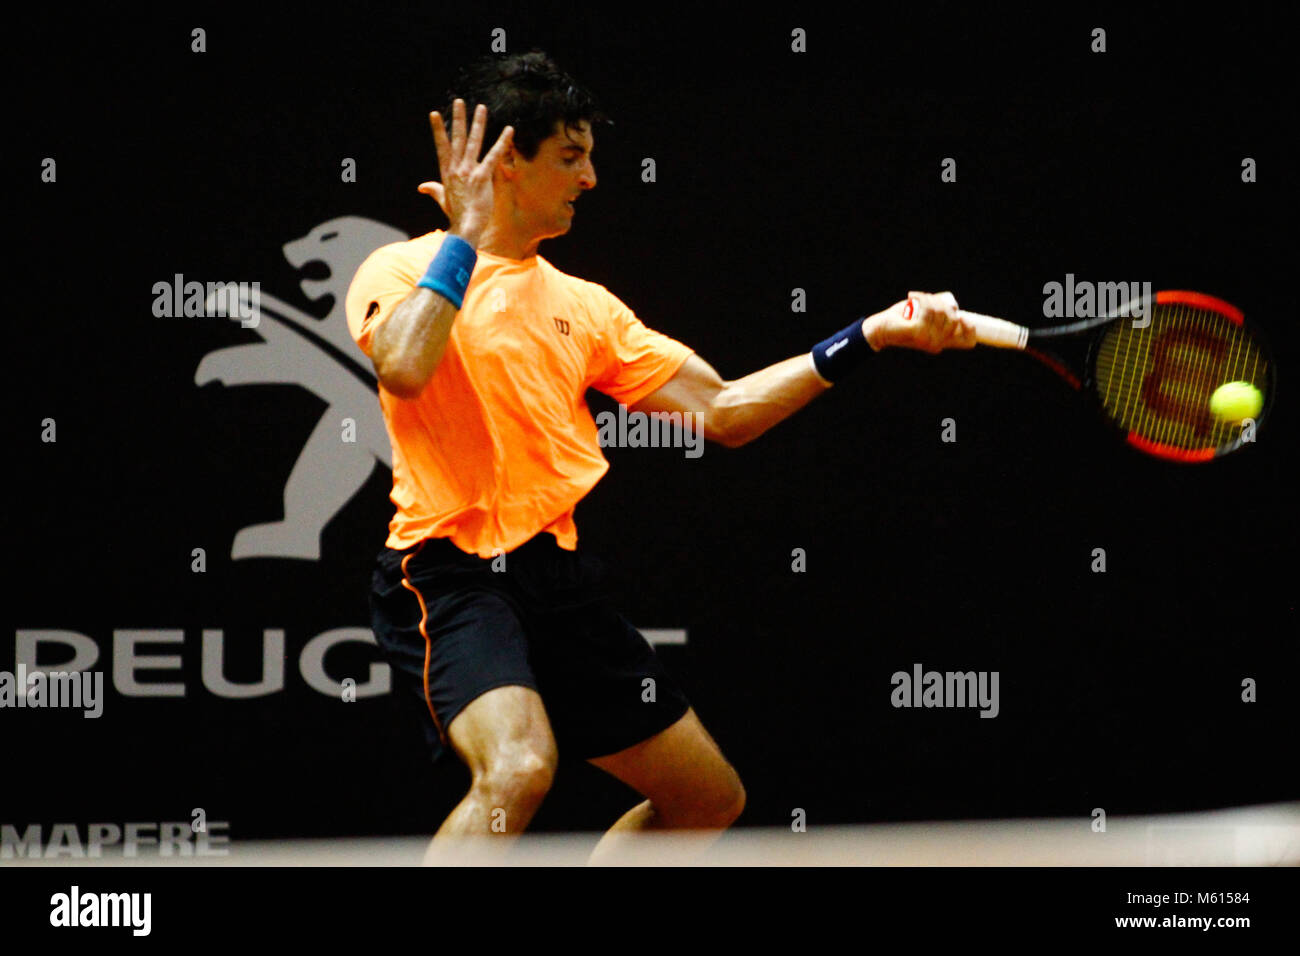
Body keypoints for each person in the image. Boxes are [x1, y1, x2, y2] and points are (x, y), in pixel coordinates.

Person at [346, 51, 975, 864]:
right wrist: (464, 242)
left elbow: (724, 410)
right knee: (518, 769)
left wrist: (872, 333)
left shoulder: (587, 308)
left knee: (707, 798)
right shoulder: (400, 267)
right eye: (571, 156)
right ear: (509, 162)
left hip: (556, 579)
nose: (593, 177)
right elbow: (402, 363)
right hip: (450, 572)